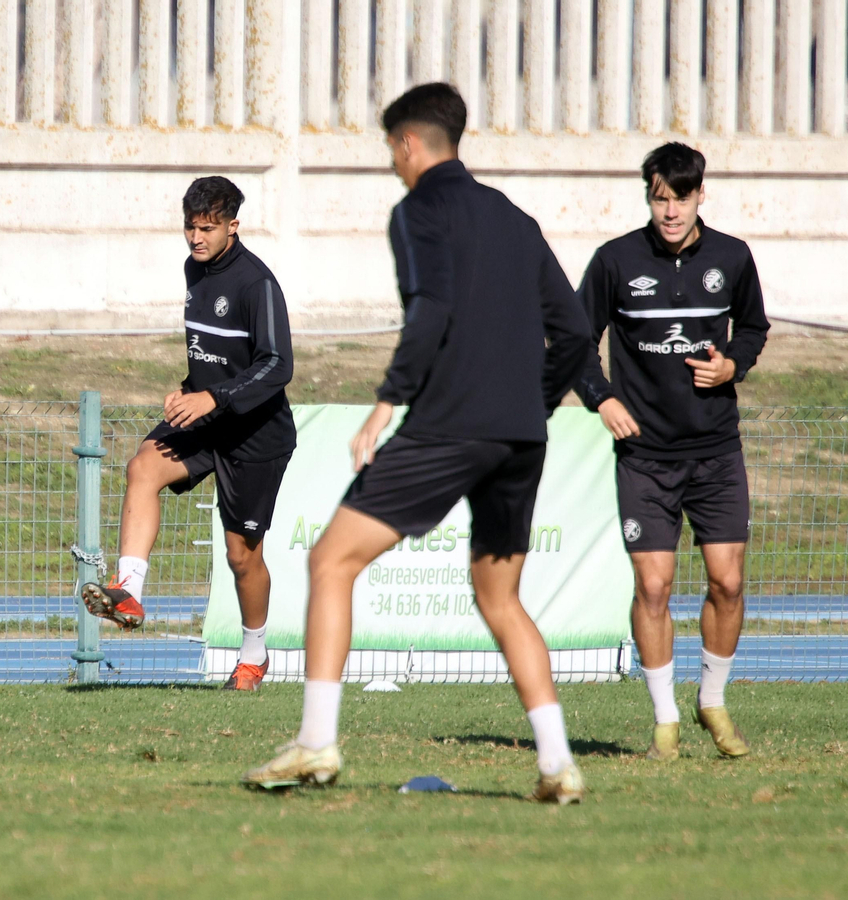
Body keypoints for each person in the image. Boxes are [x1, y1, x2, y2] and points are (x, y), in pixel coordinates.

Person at [240, 83, 592, 802]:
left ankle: (315, 743)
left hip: (447, 426)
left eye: (391, 150)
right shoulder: (516, 219)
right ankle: (558, 765)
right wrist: (533, 404)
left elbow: (431, 308)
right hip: (521, 437)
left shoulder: (417, 211)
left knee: (330, 561)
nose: (393, 165)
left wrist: (387, 403)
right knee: (501, 598)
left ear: (408, 143)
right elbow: (578, 332)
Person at [574, 142, 769, 760]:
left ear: (700, 195)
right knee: (654, 587)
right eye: (660, 198)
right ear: (649, 197)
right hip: (645, 457)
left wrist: (732, 365)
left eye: (681, 198)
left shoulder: (732, 257)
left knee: (728, 583)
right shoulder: (615, 260)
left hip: (716, 452)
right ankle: (665, 722)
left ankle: (712, 701)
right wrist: (602, 398)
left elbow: (754, 327)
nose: (670, 211)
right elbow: (575, 339)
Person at [80, 176, 296, 691]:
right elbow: (214, 351)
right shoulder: (193, 269)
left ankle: (254, 656)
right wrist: (188, 387)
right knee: (142, 467)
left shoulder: (258, 285)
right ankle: (128, 591)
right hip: (205, 418)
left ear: (233, 226)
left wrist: (213, 396)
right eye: (190, 227)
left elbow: (277, 365)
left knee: (242, 557)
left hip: (255, 435)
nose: (196, 238)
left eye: (207, 228)